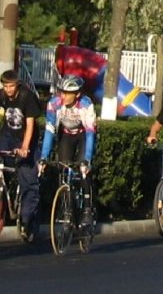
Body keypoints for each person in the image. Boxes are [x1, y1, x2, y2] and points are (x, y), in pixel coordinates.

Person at [41, 74, 97, 227]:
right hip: (66, 135)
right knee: (64, 168)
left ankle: (86, 208)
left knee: (82, 168)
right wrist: (44, 157)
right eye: (61, 92)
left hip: (83, 136)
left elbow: (91, 133)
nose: (63, 96)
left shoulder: (86, 105)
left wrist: (87, 158)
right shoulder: (54, 104)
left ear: (77, 94)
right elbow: (49, 131)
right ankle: (67, 207)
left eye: (67, 93)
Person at [0, 70, 43, 240]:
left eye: (11, 86)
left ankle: (27, 220)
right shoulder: (2, 95)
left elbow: (30, 124)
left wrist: (25, 148)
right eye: (5, 86)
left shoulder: (27, 96)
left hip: (26, 140)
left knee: (28, 181)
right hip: (7, 137)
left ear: (17, 85)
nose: (8, 90)